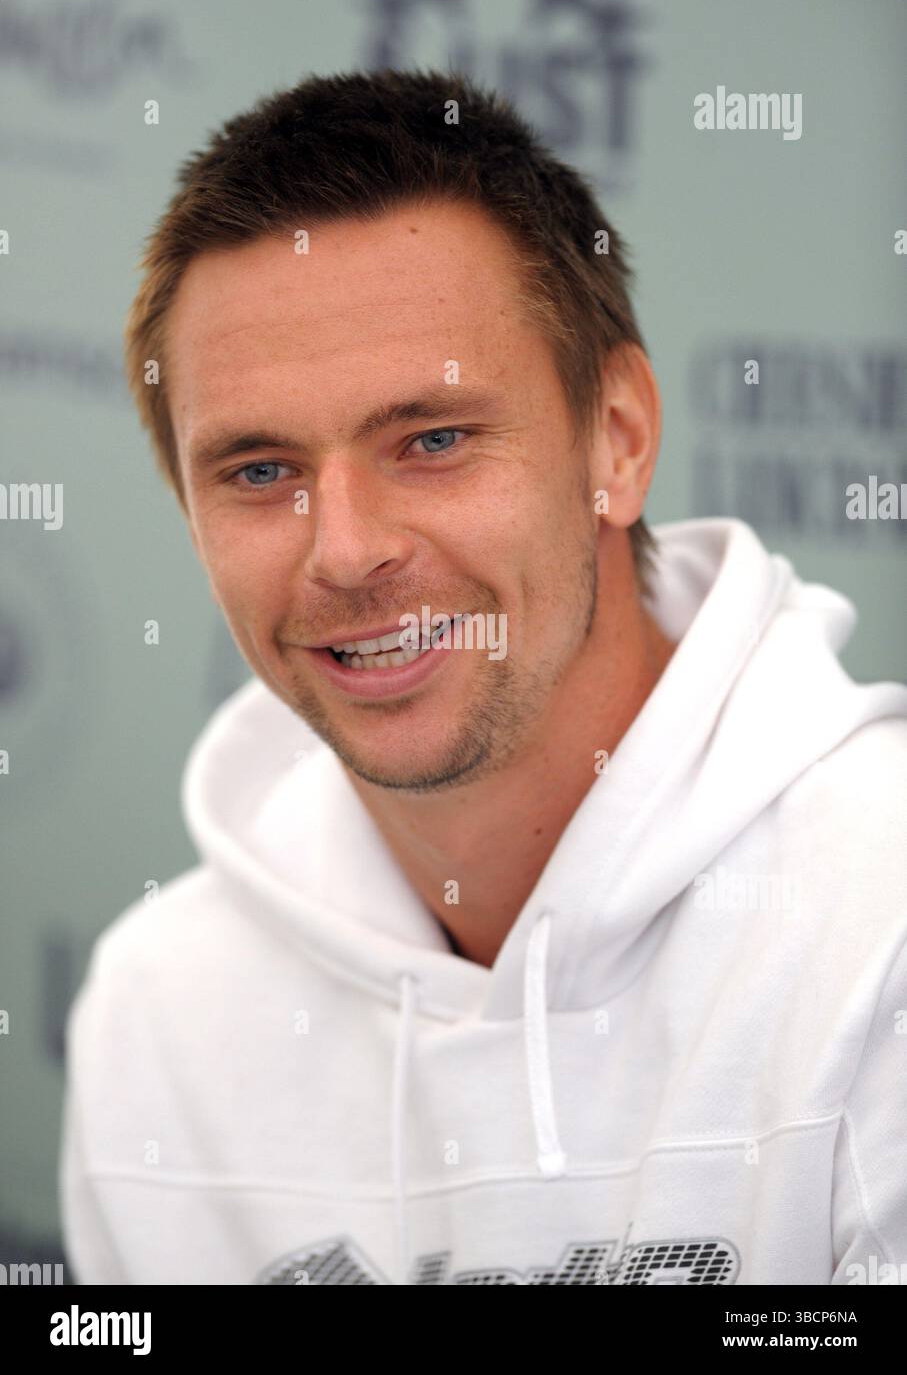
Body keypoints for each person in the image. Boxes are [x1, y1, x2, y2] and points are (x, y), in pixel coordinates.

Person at [60, 68, 907, 1286]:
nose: (344, 548)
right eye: (258, 470)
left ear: (614, 439)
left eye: (435, 440)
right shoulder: (159, 1017)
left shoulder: (876, 924)